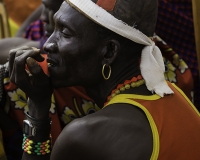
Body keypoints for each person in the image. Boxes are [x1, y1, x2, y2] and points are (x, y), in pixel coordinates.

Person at [8, 0, 200, 159]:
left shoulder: (87, 135)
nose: (48, 44)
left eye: (65, 33)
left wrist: (36, 107)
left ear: (109, 51)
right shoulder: (174, 94)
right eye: (54, 29)